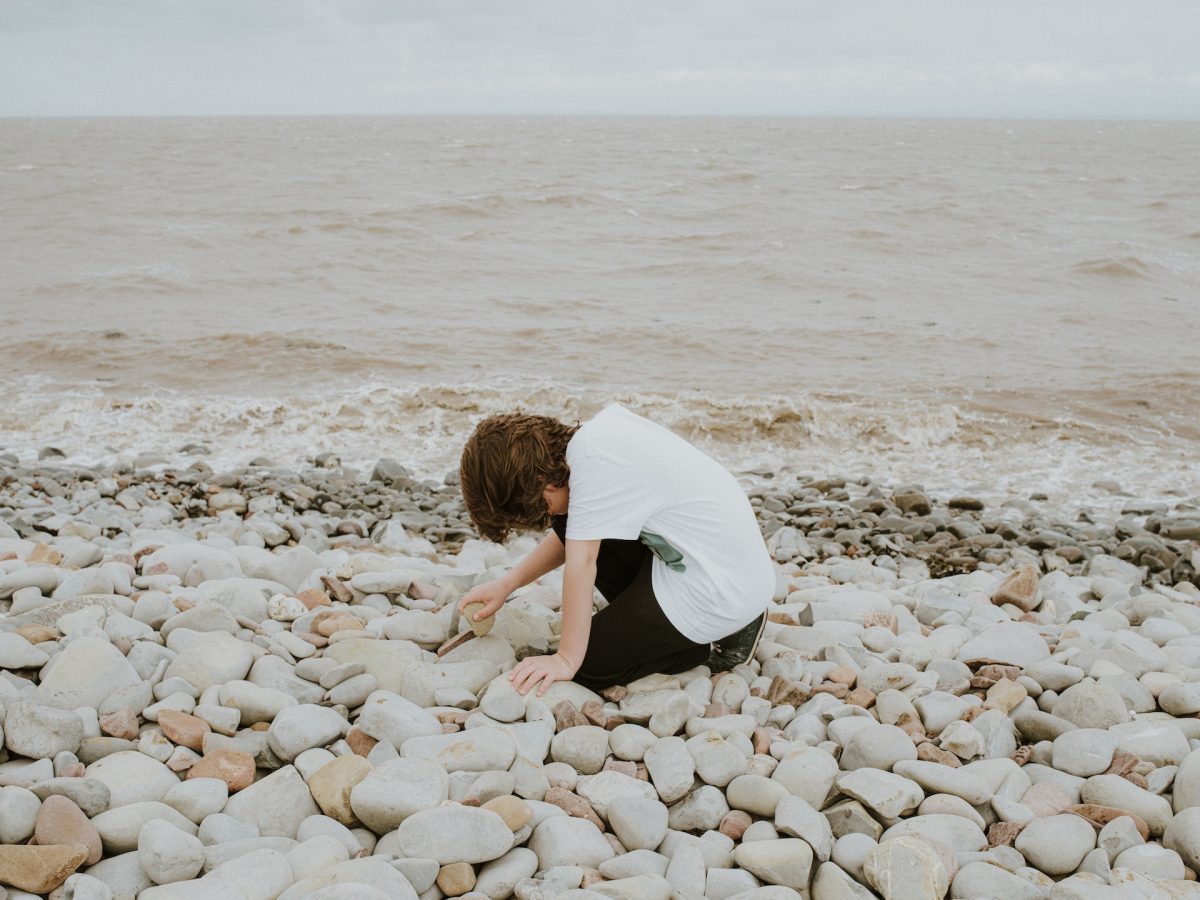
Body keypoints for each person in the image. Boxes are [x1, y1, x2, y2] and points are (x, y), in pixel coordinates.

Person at [457, 402, 775, 697]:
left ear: (543, 481)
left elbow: (581, 564)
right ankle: (684, 635)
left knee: (589, 668)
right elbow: (576, 534)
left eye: (542, 510)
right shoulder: (593, 442)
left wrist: (567, 659)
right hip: (724, 563)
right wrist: (507, 584)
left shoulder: (595, 471)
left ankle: (697, 645)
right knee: (569, 521)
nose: (547, 517)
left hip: (721, 589)